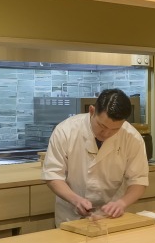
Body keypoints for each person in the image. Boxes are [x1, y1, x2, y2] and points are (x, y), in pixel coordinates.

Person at [42, 88, 148, 226]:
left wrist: (122, 203)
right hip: (70, 216)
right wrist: (76, 200)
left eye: (115, 129)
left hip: (111, 217)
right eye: (101, 126)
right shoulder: (65, 131)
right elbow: (52, 175)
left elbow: (139, 180)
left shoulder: (132, 138)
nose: (106, 133)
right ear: (92, 111)